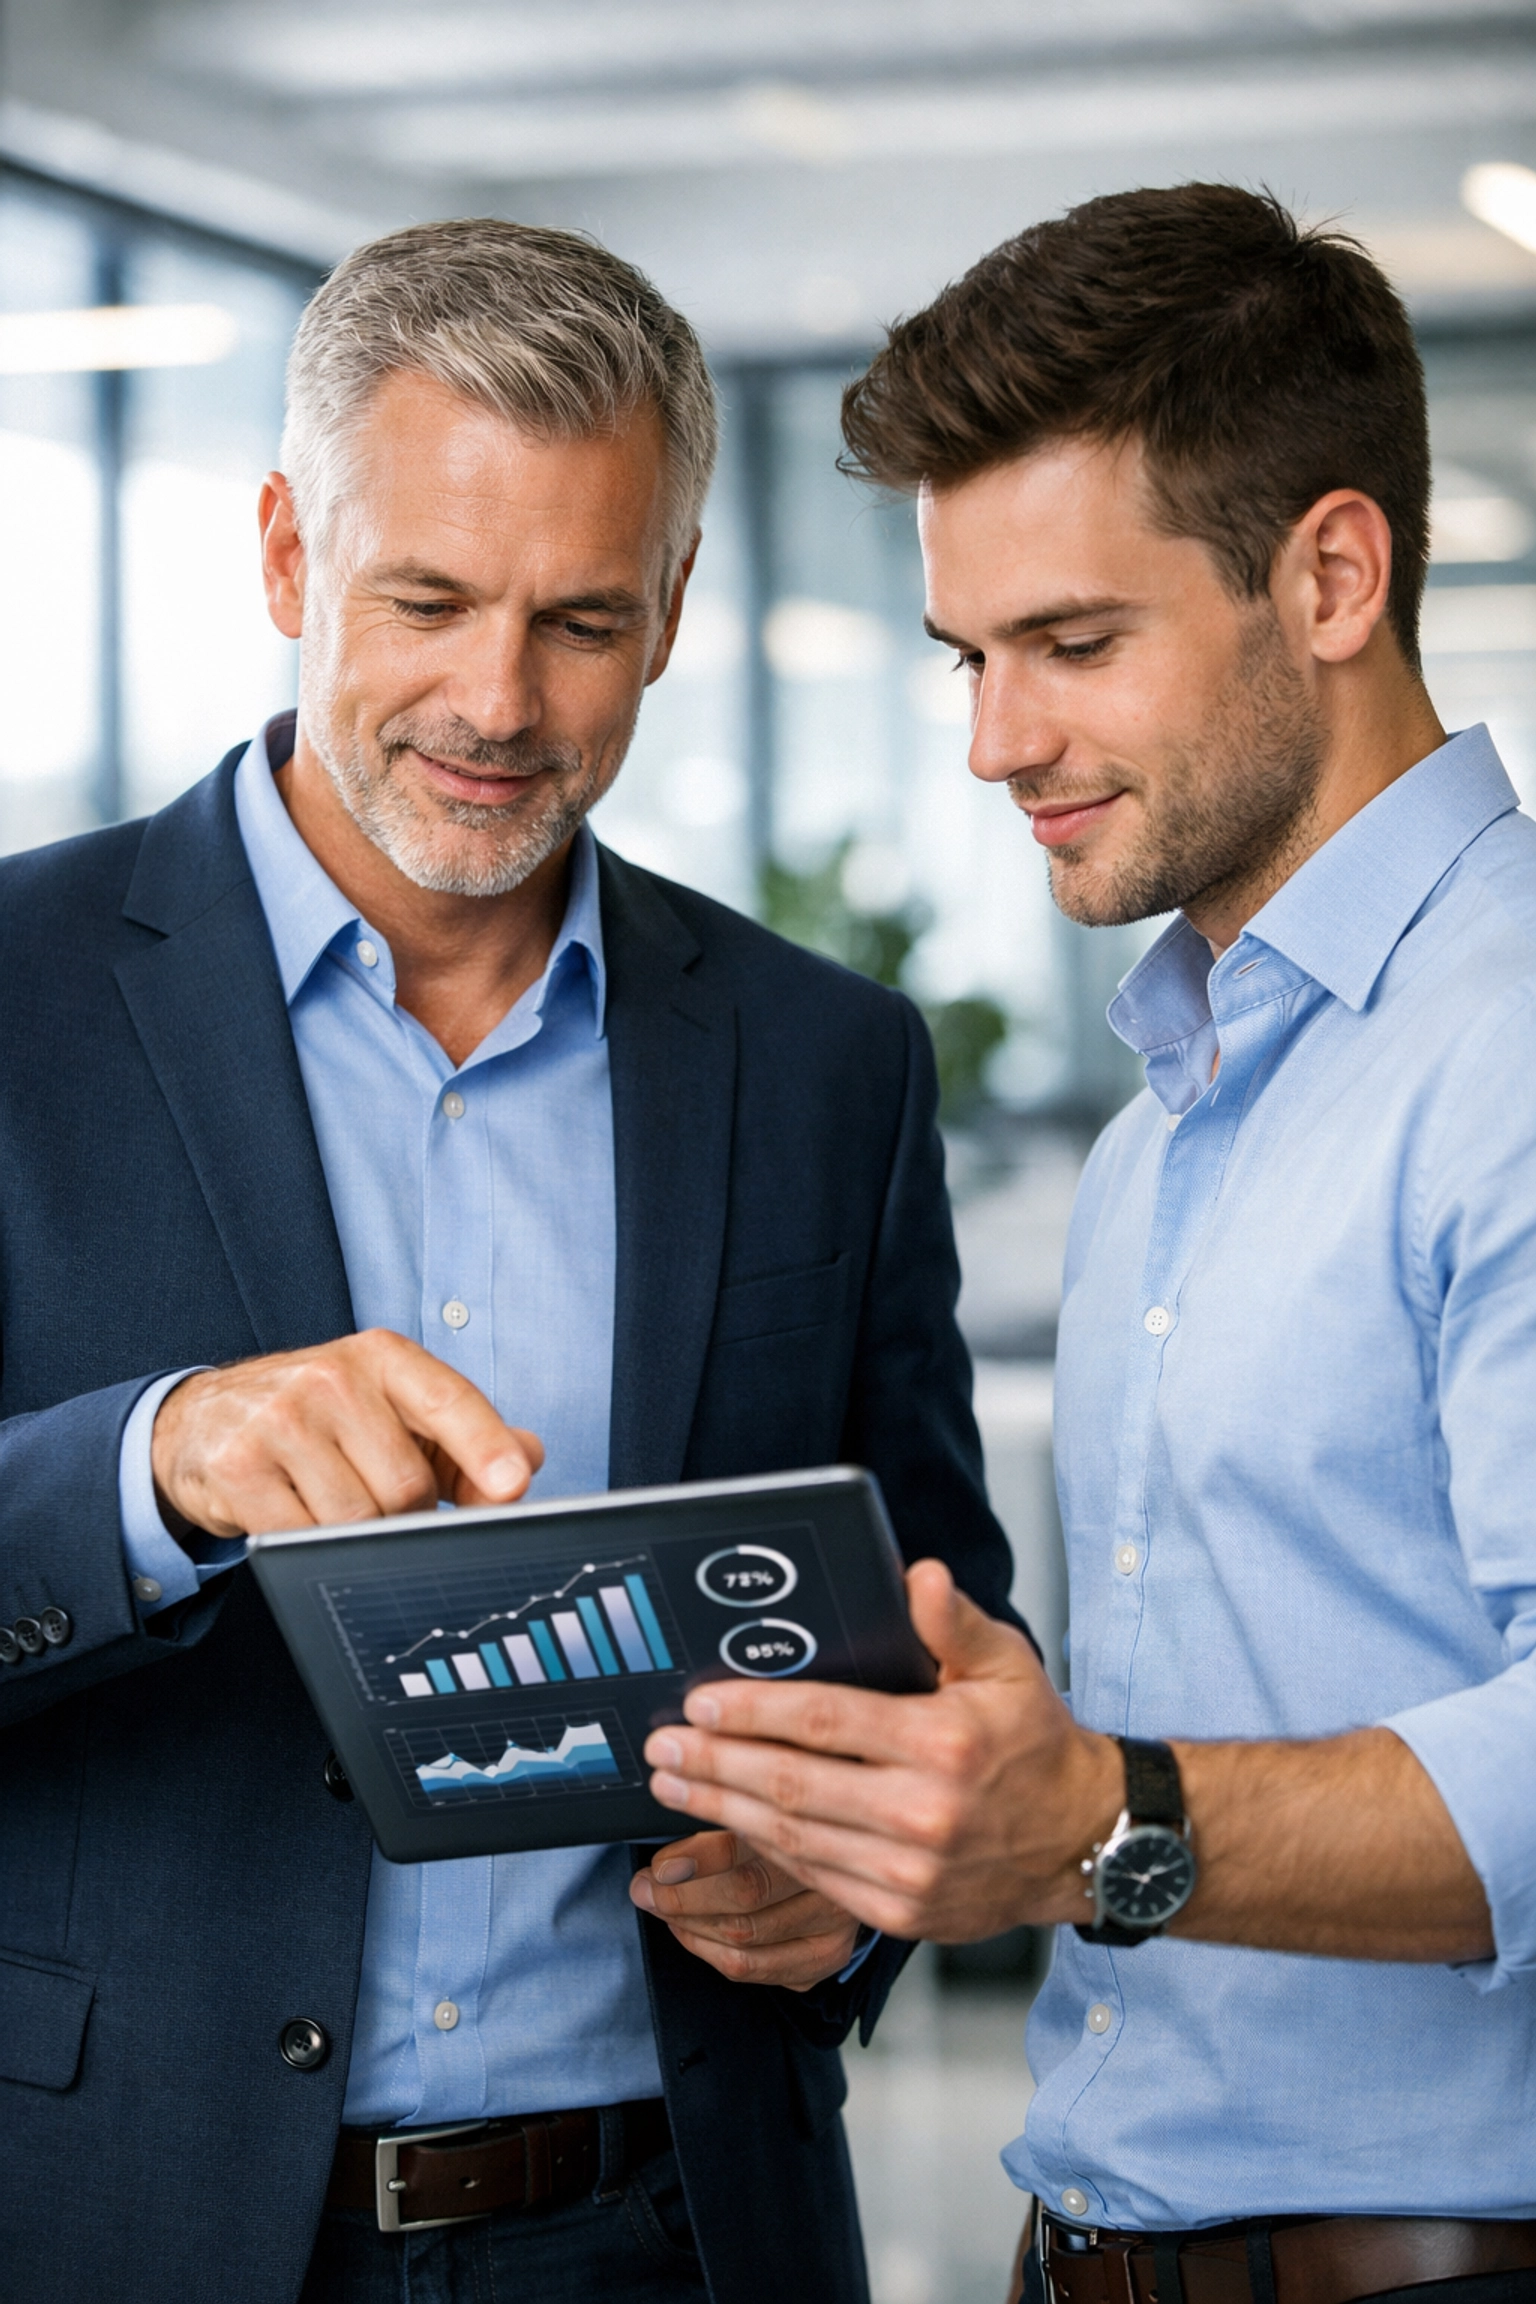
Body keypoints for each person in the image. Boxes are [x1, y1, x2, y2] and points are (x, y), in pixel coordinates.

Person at [0, 217, 1017, 2304]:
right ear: (289, 557)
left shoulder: (826, 1063)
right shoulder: (12, 993)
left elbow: (939, 1609)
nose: (498, 700)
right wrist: (154, 1462)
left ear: (673, 610)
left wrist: (853, 1895)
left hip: (676, 2230)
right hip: (131, 2222)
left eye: (578, 618)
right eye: (427, 600)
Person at [642, 185, 1536, 2298]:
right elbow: (1186, 1738)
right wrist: (922, 1826)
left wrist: (1090, 1815)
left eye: (1074, 643)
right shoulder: (1176, 1120)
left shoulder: (1507, 1053)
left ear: (1331, 573)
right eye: (970, 654)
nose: (993, 740)